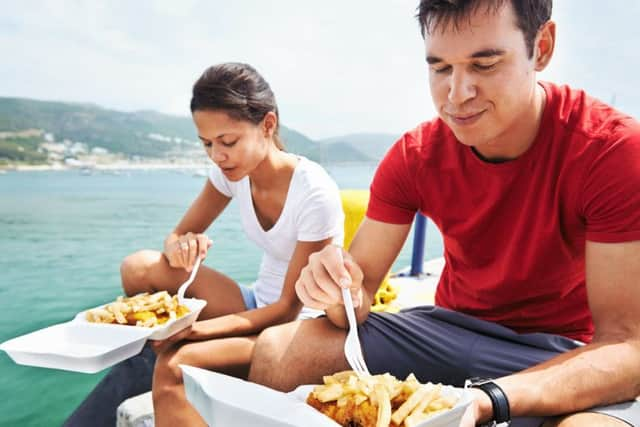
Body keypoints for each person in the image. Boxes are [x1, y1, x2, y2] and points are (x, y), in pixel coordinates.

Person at [248, 1, 640, 427]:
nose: (456, 95)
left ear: (541, 47)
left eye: (484, 64)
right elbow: (354, 305)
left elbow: (626, 347)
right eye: (439, 68)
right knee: (277, 352)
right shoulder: (414, 156)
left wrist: (491, 399)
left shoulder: (610, 150)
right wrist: (334, 290)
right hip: (447, 330)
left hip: (560, 351)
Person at [64, 62, 344, 427]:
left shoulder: (314, 193)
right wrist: (181, 247)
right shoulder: (230, 173)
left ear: (268, 125)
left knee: (172, 365)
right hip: (255, 303)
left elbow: (288, 309)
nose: (217, 155)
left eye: (227, 142)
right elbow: (175, 236)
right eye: (207, 144)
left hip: (296, 327)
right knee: (137, 268)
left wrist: (194, 331)